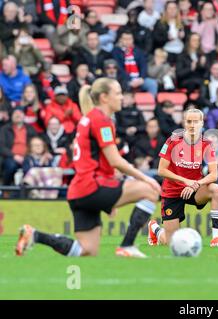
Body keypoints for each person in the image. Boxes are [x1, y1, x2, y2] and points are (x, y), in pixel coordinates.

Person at [15, 78, 161, 258]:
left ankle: (35, 235)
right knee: (150, 190)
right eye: (118, 93)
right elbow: (115, 160)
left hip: (79, 191)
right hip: (92, 187)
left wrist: (111, 197)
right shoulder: (101, 120)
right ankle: (127, 245)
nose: (122, 97)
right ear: (104, 97)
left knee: (86, 251)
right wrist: (145, 178)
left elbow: (103, 161)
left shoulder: (90, 119)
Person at [147, 108, 218, 248]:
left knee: (217, 189)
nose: (192, 125)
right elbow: (161, 170)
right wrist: (185, 181)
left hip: (194, 188)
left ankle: (216, 239)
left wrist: (196, 184)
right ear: (184, 123)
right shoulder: (173, 140)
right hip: (172, 191)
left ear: (202, 123)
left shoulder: (206, 144)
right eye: (189, 121)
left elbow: (214, 174)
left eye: (195, 122)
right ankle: (155, 228)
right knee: (170, 242)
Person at [112, 31, 158, 97]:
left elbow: (143, 66)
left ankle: (152, 104)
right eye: (125, 39)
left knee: (152, 83)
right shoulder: (116, 51)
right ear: (120, 40)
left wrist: (142, 78)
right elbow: (119, 68)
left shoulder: (138, 51)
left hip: (139, 79)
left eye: (129, 39)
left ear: (133, 40)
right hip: (123, 79)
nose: (127, 41)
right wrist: (130, 79)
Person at [0, 107, 36, 185]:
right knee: (10, 166)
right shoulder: (5, 129)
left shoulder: (30, 129)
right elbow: (1, 146)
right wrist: (14, 156)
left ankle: (26, 189)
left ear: (24, 116)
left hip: (27, 156)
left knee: (29, 166)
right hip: (10, 157)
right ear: (11, 116)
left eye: (20, 113)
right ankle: (6, 188)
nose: (18, 115)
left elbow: (35, 143)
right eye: (15, 114)